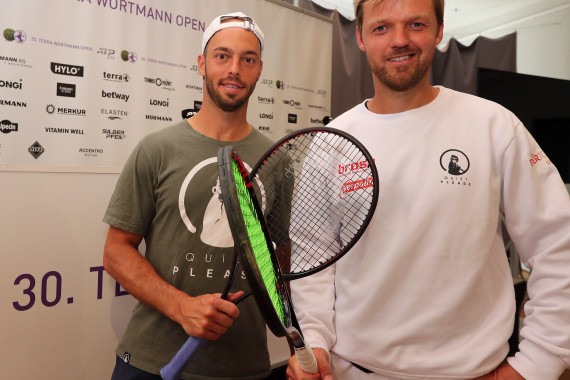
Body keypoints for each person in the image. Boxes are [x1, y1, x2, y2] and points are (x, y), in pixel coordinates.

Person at [286, 0, 570, 379]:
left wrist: (537, 364)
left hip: (474, 372)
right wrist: (316, 341)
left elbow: (558, 246)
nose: (399, 40)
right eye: (381, 27)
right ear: (360, 37)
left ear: (438, 32)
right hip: (351, 370)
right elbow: (313, 257)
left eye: (416, 24)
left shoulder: (494, 126)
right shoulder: (331, 142)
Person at [103, 12, 276, 379]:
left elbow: (282, 266)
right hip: (152, 363)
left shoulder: (278, 159)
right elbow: (116, 252)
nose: (235, 69)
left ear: (260, 69)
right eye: (222, 56)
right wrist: (182, 307)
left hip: (243, 367)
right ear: (201, 64)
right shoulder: (156, 149)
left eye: (248, 59)